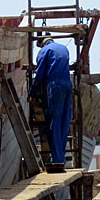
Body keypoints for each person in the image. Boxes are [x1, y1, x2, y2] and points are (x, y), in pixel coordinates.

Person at [32, 36, 72, 172]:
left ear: (41, 44)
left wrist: (33, 92)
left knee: (52, 122)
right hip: (67, 85)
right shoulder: (64, 49)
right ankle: (60, 156)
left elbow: (39, 75)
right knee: (63, 122)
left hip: (54, 86)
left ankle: (57, 160)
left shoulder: (45, 51)